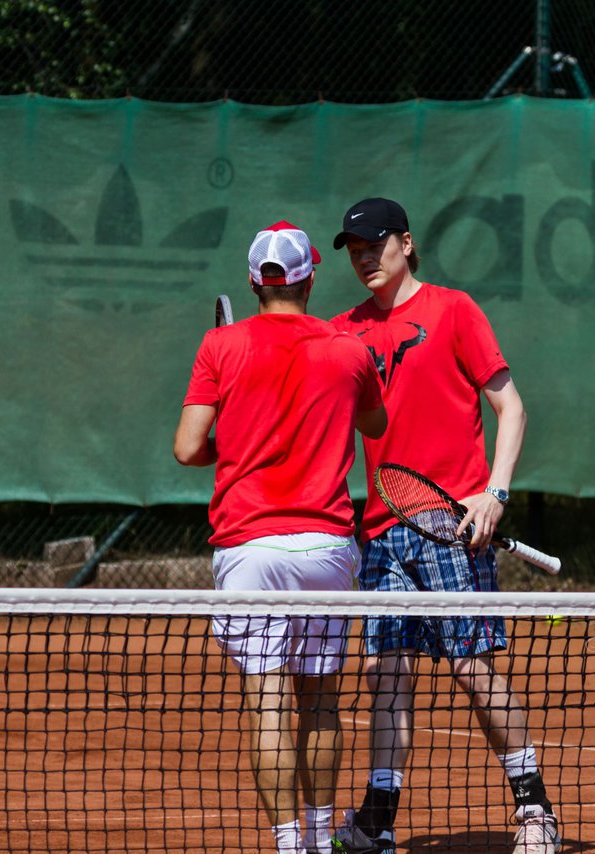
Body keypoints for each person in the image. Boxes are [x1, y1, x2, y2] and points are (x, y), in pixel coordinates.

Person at [327, 198, 561, 854]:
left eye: (375, 244)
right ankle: (378, 820)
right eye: (353, 248)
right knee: (385, 674)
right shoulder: (343, 331)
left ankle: (535, 811)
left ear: (407, 243)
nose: (364, 256)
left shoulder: (454, 310)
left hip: (452, 521)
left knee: (471, 668)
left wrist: (495, 494)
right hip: (379, 528)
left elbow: (510, 406)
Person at [174, 220, 387, 854]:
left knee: (268, 703)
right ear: (309, 277)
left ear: (252, 281)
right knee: (320, 703)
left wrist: (235, 440)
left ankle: (290, 845)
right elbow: (374, 423)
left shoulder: (221, 347)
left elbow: (188, 448)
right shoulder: (351, 350)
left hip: (250, 547)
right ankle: (321, 842)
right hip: (324, 546)